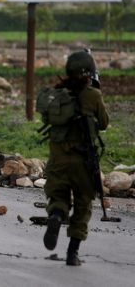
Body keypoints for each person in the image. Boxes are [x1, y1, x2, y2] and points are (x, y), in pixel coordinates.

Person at [41, 50, 109, 266]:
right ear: (89, 72)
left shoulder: (57, 94)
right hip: (83, 161)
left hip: (58, 158)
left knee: (58, 196)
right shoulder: (92, 95)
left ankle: (56, 216)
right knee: (83, 205)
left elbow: (45, 116)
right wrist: (95, 92)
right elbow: (104, 123)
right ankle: (72, 253)